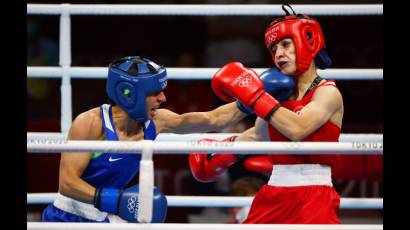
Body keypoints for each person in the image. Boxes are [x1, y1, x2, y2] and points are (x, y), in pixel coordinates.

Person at [41, 56, 248, 223]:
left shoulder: (157, 121)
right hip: (66, 217)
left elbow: (213, 119)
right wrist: (117, 201)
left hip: (104, 216)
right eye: (155, 92)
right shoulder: (90, 123)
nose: (163, 99)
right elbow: (67, 183)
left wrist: (254, 98)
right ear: (128, 94)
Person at [189, 4, 343, 224]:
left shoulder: (327, 92)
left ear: (308, 41)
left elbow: (297, 129)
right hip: (275, 190)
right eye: (274, 49)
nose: (279, 53)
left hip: (314, 193)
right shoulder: (278, 98)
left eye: (285, 44)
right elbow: (259, 134)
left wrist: (255, 96)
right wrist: (221, 153)